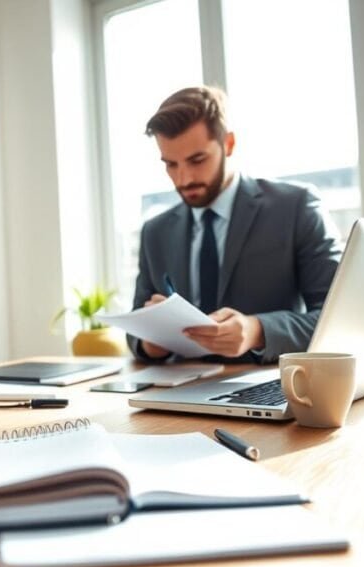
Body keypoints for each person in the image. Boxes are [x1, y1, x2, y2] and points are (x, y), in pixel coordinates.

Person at [129, 86, 343, 364]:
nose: (184, 179)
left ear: (228, 144)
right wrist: (151, 343)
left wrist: (258, 331)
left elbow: (338, 319)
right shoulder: (155, 232)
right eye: (171, 164)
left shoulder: (295, 207)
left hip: (266, 379)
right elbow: (136, 330)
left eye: (197, 160)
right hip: (180, 384)